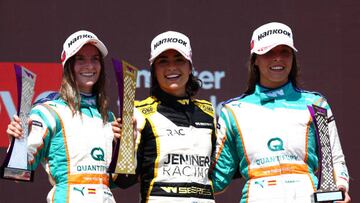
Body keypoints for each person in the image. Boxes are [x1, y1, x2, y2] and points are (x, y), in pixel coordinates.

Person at [210, 22, 351, 203]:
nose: (278, 58)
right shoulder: (233, 111)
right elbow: (218, 178)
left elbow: (333, 158)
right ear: (255, 60)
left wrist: (339, 188)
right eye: (268, 53)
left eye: (284, 52)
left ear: (293, 58)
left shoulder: (317, 105)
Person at [6, 30, 118, 203]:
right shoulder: (48, 112)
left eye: (95, 59)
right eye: (80, 59)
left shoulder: (108, 117)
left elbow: (117, 180)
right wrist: (16, 143)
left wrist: (127, 148)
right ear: (68, 65)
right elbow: (17, 174)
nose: (89, 65)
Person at [114, 31, 217, 203]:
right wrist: (126, 145)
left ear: (190, 66)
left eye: (179, 59)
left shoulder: (208, 113)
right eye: (163, 61)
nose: (171, 67)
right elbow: (124, 181)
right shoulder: (139, 113)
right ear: (154, 70)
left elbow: (219, 173)